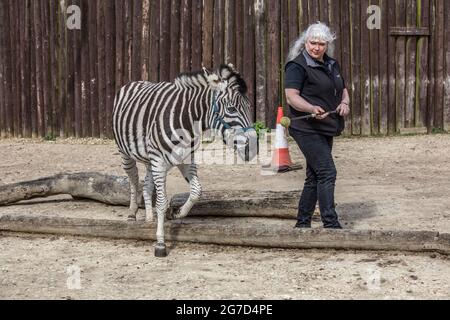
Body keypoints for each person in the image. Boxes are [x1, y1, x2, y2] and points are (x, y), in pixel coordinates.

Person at [284, 22, 350, 229]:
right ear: (305, 42)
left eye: (321, 44)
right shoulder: (297, 66)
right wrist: (311, 108)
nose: (316, 48)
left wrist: (345, 103)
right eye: (313, 43)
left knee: (314, 176)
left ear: (327, 44)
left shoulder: (332, 64)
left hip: (327, 127)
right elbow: (291, 97)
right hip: (306, 129)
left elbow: (343, 88)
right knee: (327, 172)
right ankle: (331, 225)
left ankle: (302, 224)